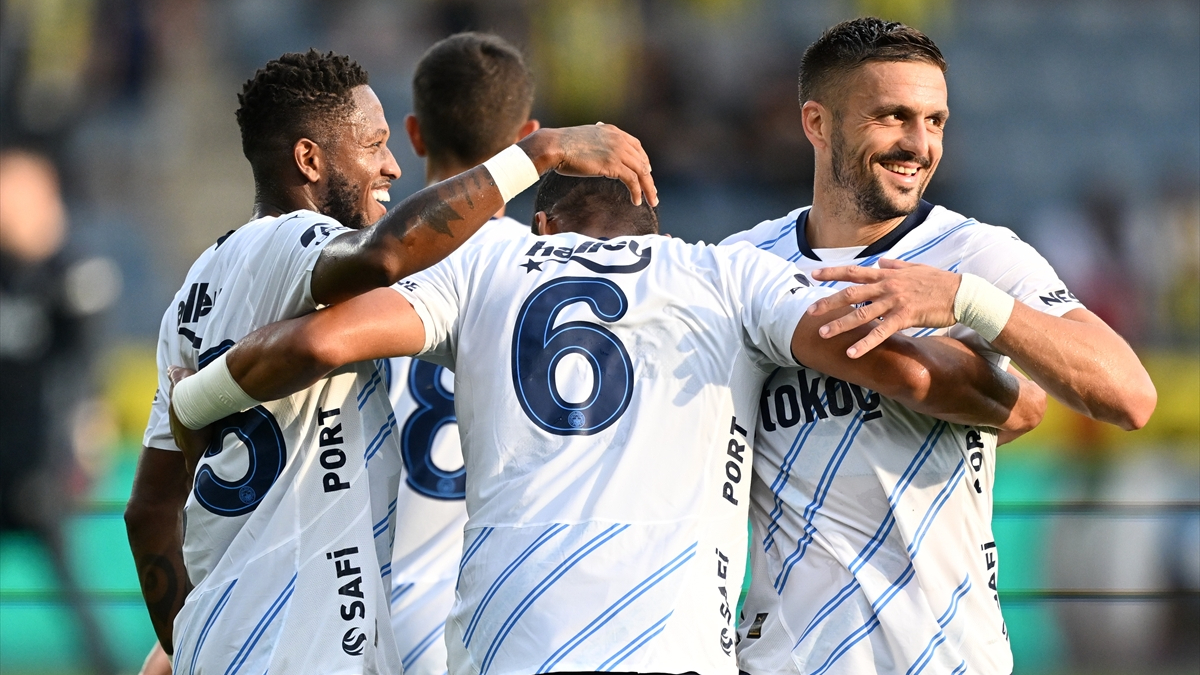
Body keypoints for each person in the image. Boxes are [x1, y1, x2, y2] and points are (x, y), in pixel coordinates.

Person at [169, 173, 1044, 675]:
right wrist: (1006, 400)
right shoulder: (722, 274)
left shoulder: (489, 263)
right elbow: (897, 365)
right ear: (654, 225)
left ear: (543, 223)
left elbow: (317, 341)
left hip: (511, 641)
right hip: (668, 646)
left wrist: (193, 401)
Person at [122, 47, 656, 673]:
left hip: (233, 642)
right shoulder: (296, 241)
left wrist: (186, 642)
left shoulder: (194, 290)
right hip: (310, 648)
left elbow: (149, 510)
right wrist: (537, 155)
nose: (393, 166)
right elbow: (383, 255)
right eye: (373, 146)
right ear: (309, 160)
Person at [720, 18, 1156, 675]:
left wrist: (965, 300)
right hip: (789, 660)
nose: (919, 144)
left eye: (935, 121)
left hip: (945, 656)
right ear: (817, 123)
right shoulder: (743, 264)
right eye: (893, 116)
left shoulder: (976, 255)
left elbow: (1130, 395)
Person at [384, 32, 539, 675]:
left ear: (414, 134)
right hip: (499, 631)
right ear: (527, 138)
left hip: (359, 624)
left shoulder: (350, 272)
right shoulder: (552, 279)